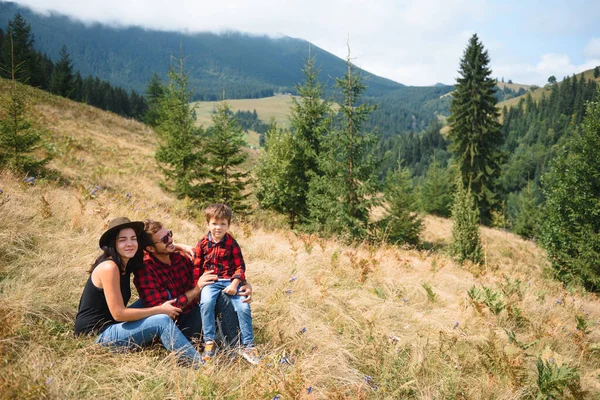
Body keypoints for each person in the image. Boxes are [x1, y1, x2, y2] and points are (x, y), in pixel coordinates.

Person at [74, 217, 203, 367]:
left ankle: (176, 338)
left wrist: (179, 246)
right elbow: (119, 314)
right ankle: (199, 365)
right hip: (97, 334)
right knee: (162, 320)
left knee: (160, 298)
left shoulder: (127, 262)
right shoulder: (109, 267)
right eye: (122, 240)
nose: (129, 243)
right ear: (113, 244)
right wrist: (160, 310)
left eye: (133, 238)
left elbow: (153, 246)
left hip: (113, 324)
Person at [134, 220, 253, 347]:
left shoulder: (180, 257)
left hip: (195, 310)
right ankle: (235, 346)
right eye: (164, 239)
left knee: (223, 293)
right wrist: (197, 289)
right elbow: (162, 313)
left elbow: (216, 269)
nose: (170, 239)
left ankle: (239, 345)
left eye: (169, 234)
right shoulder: (146, 270)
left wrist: (242, 283)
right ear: (150, 248)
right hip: (177, 327)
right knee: (219, 297)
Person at [194, 203, 260, 364]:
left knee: (243, 306)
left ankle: (249, 345)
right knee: (206, 302)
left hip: (230, 281)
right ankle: (210, 341)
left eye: (223, 224)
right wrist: (197, 288)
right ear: (207, 224)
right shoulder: (202, 244)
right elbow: (196, 267)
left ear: (228, 225)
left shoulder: (231, 243)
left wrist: (235, 283)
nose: (218, 228)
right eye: (214, 223)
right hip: (211, 281)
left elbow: (240, 266)